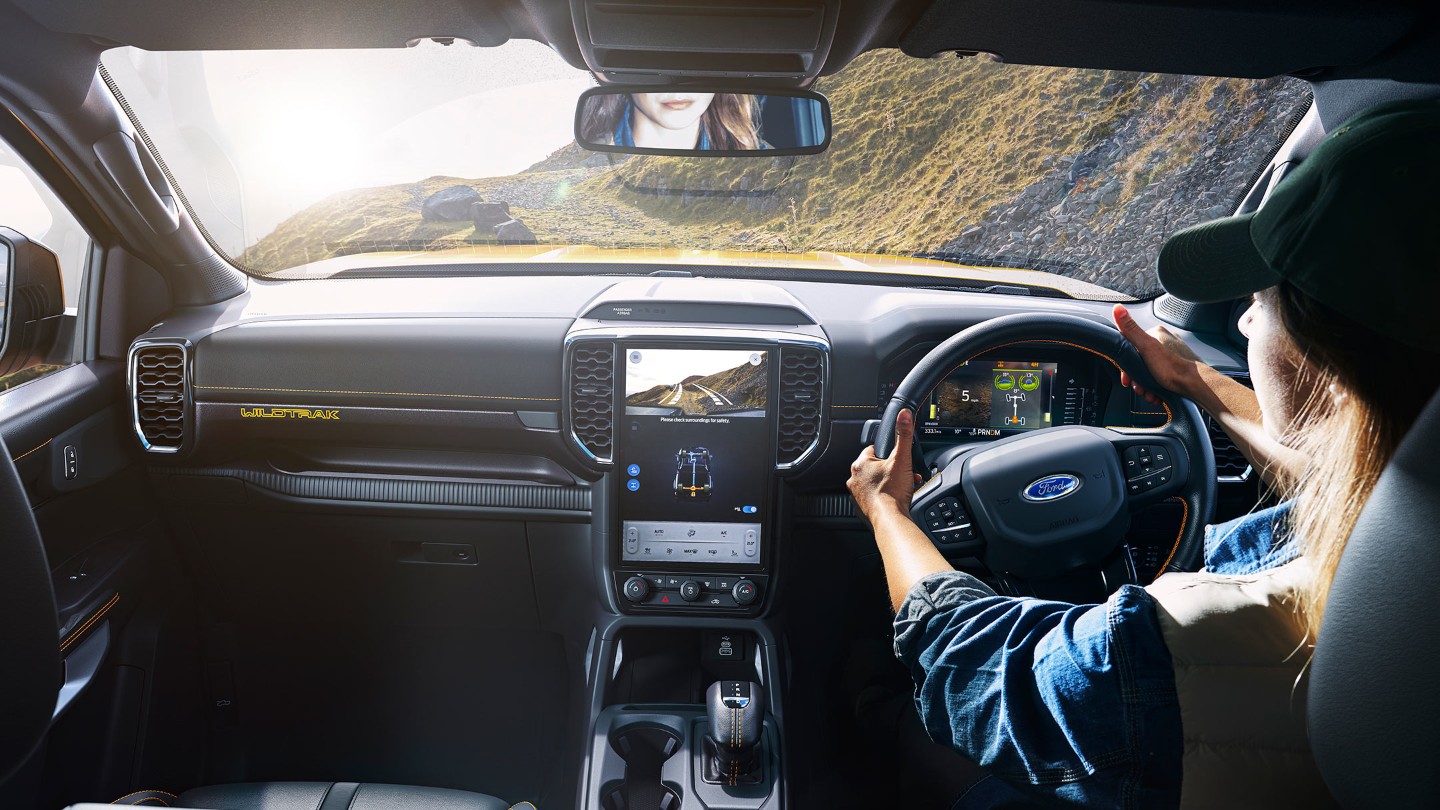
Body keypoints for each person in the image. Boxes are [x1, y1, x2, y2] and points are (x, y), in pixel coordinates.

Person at [847, 98, 1440, 808]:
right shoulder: (1414, 515)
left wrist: (890, 516)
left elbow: (979, 675)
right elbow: (1353, 479)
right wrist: (1195, 381)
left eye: (1263, 299)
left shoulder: (1201, 644)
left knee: (915, 738)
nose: (1246, 317)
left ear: (1330, 372)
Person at [580, 92, 765, 150]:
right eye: (653, 58)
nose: (680, 85)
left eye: (701, 59)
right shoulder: (588, 165)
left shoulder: (765, 163)